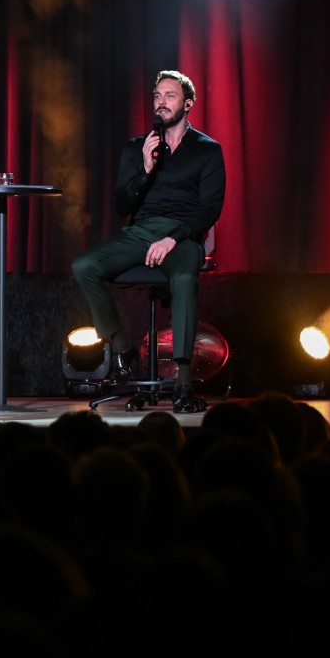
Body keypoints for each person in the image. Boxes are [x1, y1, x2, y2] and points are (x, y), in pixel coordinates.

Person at [72, 70, 225, 414]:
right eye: (157, 96)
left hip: (182, 235)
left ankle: (183, 382)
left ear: (188, 104)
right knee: (84, 265)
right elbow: (122, 206)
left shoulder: (207, 150)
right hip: (141, 232)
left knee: (183, 278)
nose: (161, 102)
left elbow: (210, 209)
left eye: (170, 96)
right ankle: (122, 347)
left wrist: (173, 238)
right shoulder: (137, 147)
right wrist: (145, 168)